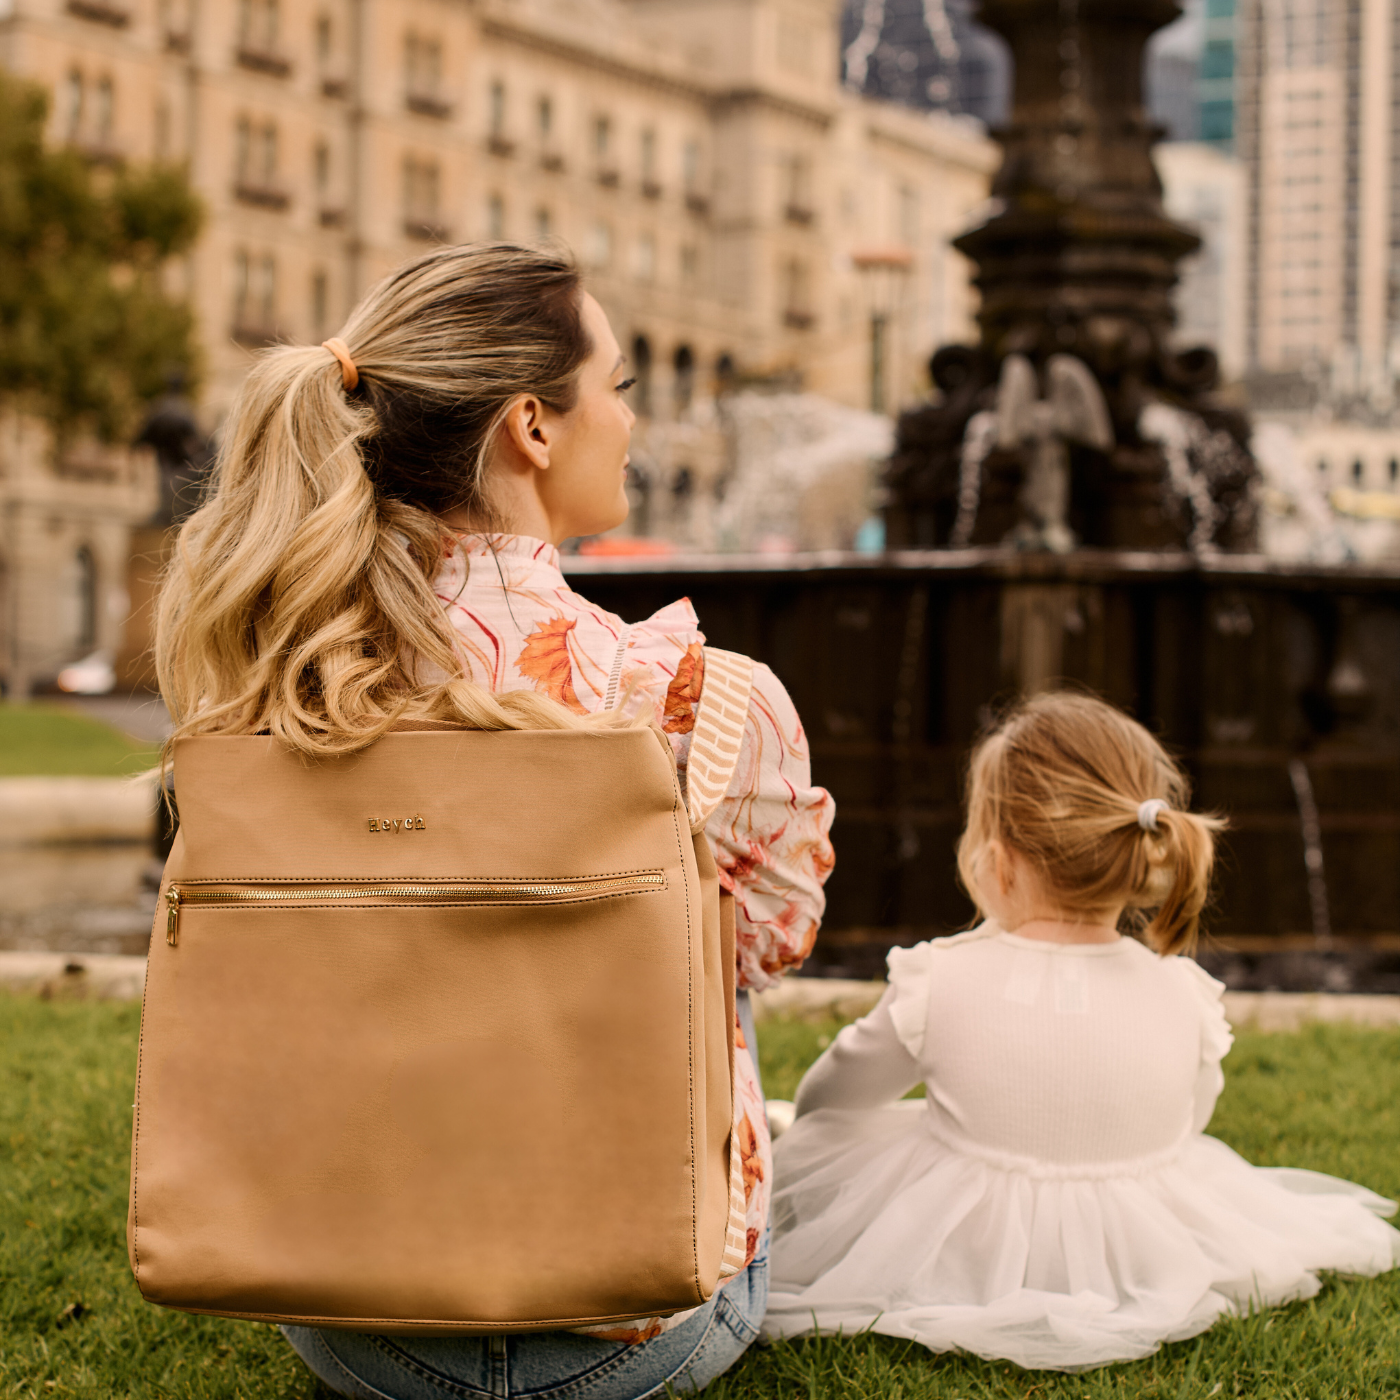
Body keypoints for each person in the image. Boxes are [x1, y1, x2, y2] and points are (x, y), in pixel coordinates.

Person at [155, 243, 834, 1398]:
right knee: (708, 926)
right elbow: (775, 942)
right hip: (641, 1328)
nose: (629, 420)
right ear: (532, 423)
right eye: (616, 388)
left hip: (353, 1320)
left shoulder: (282, 684)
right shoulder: (698, 697)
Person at [763, 691, 1400, 1372]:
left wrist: (807, 1127)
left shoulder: (941, 979)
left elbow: (833, 1095)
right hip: (1141, 1237)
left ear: (997, 857)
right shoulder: (1179, 989)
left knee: (835, 1130)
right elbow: (1186, 1125)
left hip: (971, 1238)